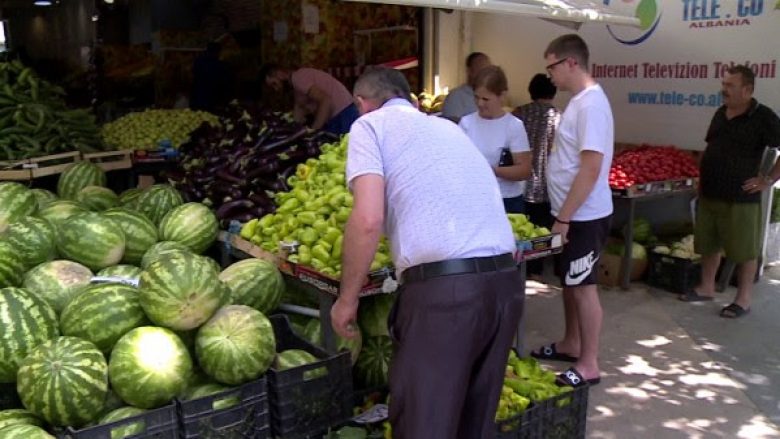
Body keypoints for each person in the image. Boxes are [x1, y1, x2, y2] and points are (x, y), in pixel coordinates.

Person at [330, 66, 523, 438]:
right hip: (505, 284)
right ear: (412, 101)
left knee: (425, 424)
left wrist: (347, 299)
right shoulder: (449, 128)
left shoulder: (369, 127)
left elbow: (368, 218)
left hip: (447, 297)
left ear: (361, 103)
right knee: (475, 424)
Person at [529, 34, 614, 388]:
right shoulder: (580, 102)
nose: (550, 75)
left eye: (552, 66)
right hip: (571, 212)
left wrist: (564, 216)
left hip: (584, 215)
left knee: (583, 287)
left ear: (571, 63)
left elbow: (591, 168)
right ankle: (571, 342)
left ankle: (589, 363)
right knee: (570, 282)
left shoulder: (592, 104)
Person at [679, 65, 780, 318]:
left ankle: (743, 299)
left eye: (730, 86)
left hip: (741, 198)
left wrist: (767, 180)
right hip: (710, 192)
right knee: (709, 244)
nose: (723, 90)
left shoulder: (763, 117)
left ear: (747, 90)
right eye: (724, 85)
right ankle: (707, 287)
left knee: (744, 250)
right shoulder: (720, 113)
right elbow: (710, 147)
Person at [459, 65, 532, 213]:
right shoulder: (466, 123)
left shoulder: (513, 126)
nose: (480, 103)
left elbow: (524, 170)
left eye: (486, 99)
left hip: (506, 200)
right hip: (473, 197)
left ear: (502, 96)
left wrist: (493, 171)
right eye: (476, 97)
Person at [514, 74, 561, 278]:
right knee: (542, 230)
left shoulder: (519, 114)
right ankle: (537, 271)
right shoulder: (558, 116)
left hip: (519, 181)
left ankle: (519, 268)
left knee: (520, 228)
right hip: (547, 184)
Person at [260, 64, 358, 134]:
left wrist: (314, 131)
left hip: (343, 114)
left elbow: (326, 101)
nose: (276, 89)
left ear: (279, 74)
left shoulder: (299, 78)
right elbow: (299, 110)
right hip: (341, 113)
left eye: (275, 84)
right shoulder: (297, 87)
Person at [441, 52, 492, 123]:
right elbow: (452, 128)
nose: (486, 74)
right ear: (469, 71)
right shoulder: (455, 97)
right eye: (482, 69)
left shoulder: (491, 97)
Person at [190, 42, 231, 112]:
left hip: (197, 99)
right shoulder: (221, 66)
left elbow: (194, 76)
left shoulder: (198, 62)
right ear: (218, 52)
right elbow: (225, 84)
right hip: (213, 101)